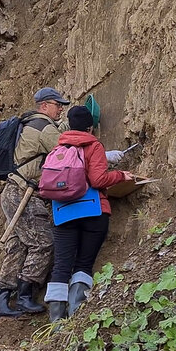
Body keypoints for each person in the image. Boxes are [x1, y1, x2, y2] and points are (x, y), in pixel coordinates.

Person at [44, 105, 135, 321]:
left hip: (63, 213)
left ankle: (56, 321)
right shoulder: (93, 145)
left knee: (61, 266)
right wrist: (121, 175)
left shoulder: (57, 149)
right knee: (83, 263)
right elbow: (98, 180)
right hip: (93, 211)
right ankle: (76, 314)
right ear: (90, 128)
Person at [0, 87, 70, 319]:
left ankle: (1, 299)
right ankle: (25, 296)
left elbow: (56, 136)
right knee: (43, 242)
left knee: (17, 246)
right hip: (23, 193)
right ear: (44, 105)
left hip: (11, 191)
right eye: (58, 105)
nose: (61, 109)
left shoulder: (31, 125)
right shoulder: (43, 127)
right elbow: (64, 146)